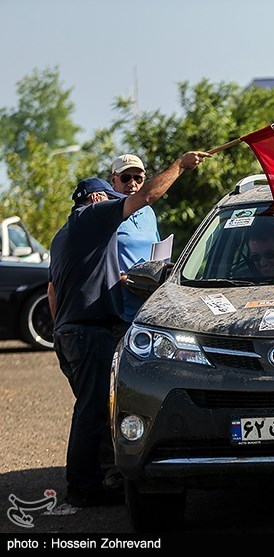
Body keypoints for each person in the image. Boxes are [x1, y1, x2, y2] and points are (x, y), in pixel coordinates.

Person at [47, 151, 210, 507]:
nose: (126, 190)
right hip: (89, 332)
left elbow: (52, 290)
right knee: (91, 411)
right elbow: (147, 196)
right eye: (115, 187)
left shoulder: (63, 235)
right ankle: (82, 488)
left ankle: (95, 479)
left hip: (69, 332)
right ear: (99, 197)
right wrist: (180, 166)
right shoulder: (95, 216)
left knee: (92, 408)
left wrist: (62, 330)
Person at [108, 154, 159, 346]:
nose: (132, 183)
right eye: (125, 177)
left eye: (138, 178)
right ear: (113, 179)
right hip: (119, 312)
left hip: (147, 308)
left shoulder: (148, 211)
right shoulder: (108, 210)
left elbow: (156, 249)